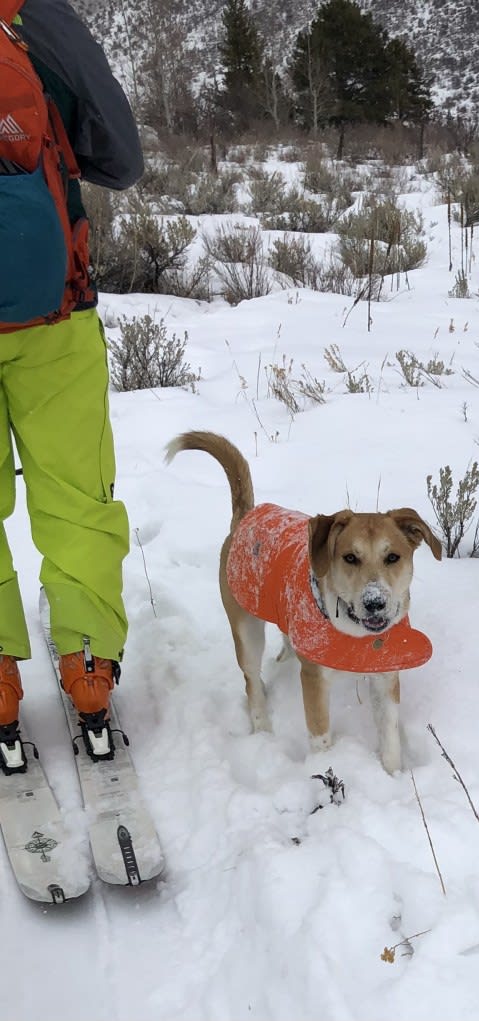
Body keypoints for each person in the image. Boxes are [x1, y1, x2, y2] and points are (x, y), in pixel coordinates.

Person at [0, 0, 143, 767]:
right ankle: (88, 671)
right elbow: (122, 159)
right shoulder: (36, 19)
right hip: (56, 314)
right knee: (77, 499)